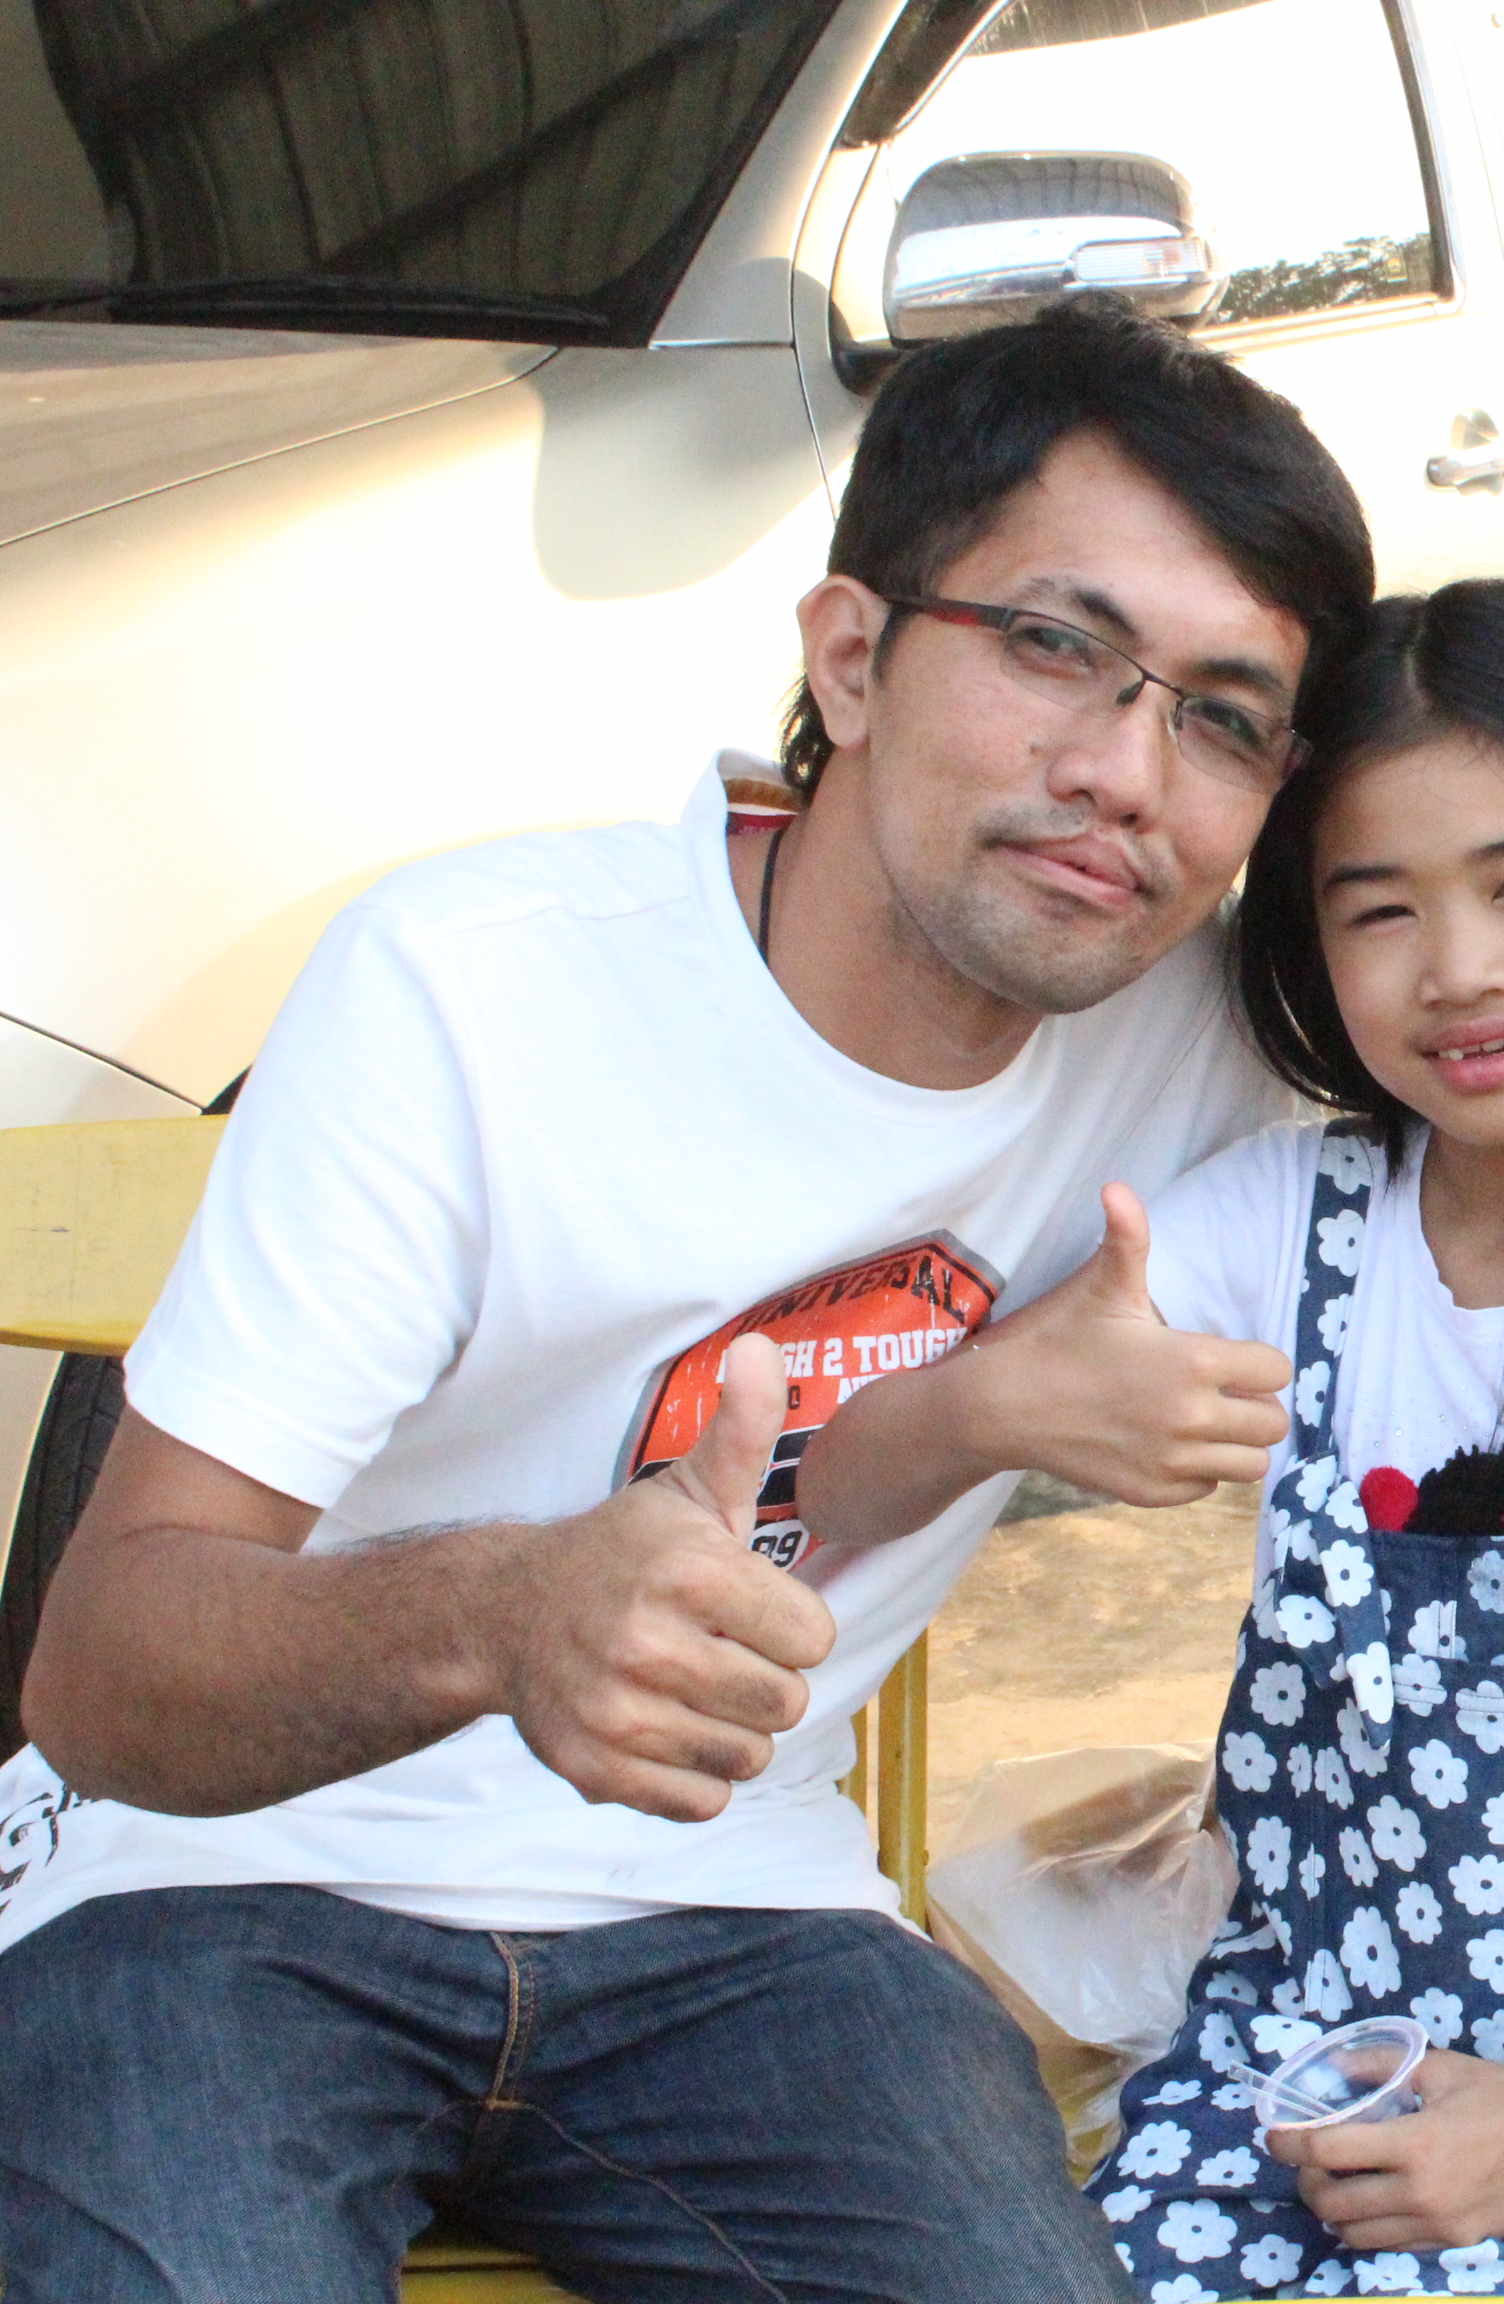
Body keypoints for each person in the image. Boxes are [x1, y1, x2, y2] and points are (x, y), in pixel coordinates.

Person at [0, 297, 1371, 2299]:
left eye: (1223, 719)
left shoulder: (1194, 1044)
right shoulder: (479, 986)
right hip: (219, 1888)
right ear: (852, 655)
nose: (1127, 775)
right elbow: (103, 1678)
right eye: (1055, 646)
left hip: (747, 1919)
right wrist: (507, 1610)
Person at [807, 578, 1504, 2296]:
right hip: (1295, 2061)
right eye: (1380, 909)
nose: (1459, 967)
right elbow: (854, 1465)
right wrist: (988, 1404)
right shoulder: (1281, 1225)